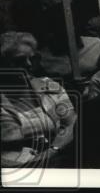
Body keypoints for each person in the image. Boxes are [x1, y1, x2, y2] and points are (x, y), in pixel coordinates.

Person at [1, 32, 77, 168]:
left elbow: (72, 124)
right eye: (19, 61)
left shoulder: (48, 86)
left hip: (59, 161)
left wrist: (53, 150)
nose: (29, 65)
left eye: (32, 59)